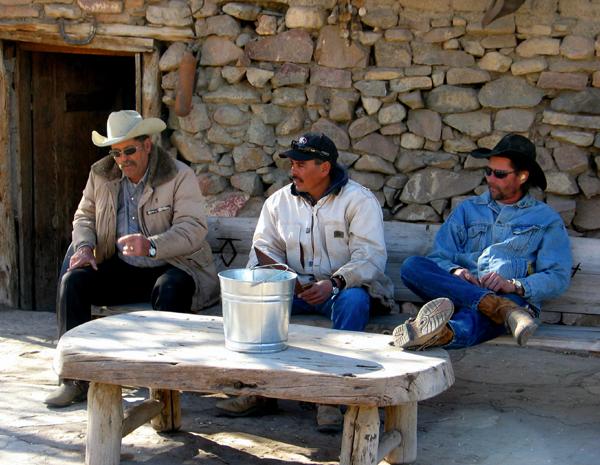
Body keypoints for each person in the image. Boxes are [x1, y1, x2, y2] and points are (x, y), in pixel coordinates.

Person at [216, 132, 396, 432]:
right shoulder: (278, 203)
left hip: (343, 291)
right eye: (292, 163)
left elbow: (370, 258)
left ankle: (331, 397)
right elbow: (262, 252)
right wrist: (284, 280)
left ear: (324, 168)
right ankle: (257, 389)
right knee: (257, 303)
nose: (293, 170)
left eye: (300, 164)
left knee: (353, 302)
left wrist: (335, 283)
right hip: (295, 291)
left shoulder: (358, 200)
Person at [45, 110, 219, 407]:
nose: (123, 159)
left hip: (174, 263)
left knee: (170, 289)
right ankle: (74, 378)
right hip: (124, 265)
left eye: (129, 150)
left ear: (147, 145)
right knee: (74, 281)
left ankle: (164, 386)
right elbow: (84, 216)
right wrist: (85, 248)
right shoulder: (100, 174)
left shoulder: (178, 175)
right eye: (116, 153)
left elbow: (193, 229)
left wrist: (150, 246)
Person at [392, 133, 572, 350]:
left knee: (490, 312)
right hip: (459, 292)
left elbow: (558, 277)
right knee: (412, 266)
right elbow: (439, 256)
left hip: (513, 298)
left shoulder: (546, 219)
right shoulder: (467, 210)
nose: (490, 179)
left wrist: (514, 285)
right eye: (488, 171)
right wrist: (455, 272)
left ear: (523, 177)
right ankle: (501, 309)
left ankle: (441, 334)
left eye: (499, 174)